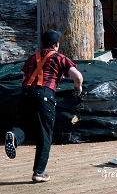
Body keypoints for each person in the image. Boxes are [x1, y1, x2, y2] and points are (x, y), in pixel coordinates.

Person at [4, 29, 83, 182]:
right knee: (45, 134)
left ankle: (13, 136)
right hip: (44, 95)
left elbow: (23, 78)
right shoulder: (60, 57)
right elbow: (77, 76)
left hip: (25, 94)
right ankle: (39, 172)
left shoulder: (32, 58)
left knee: (22, 125)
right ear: (57, 45)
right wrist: (78, 88)